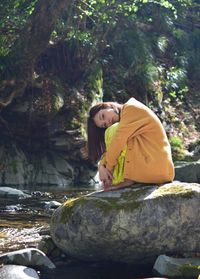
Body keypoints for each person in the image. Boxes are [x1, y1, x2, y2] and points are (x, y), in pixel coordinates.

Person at [87, 97, 174, 191]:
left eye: (103, 116)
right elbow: (112, 148)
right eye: (104, 125)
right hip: (158, 168)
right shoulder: (127, 115)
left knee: (113, 131)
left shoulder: (131, 108)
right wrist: (101, 166)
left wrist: (108, 170)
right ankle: (128, 178)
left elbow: (118, 142)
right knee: (113, 132)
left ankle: (127, 179)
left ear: (108, 105)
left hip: (156, 167)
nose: (107, 122)